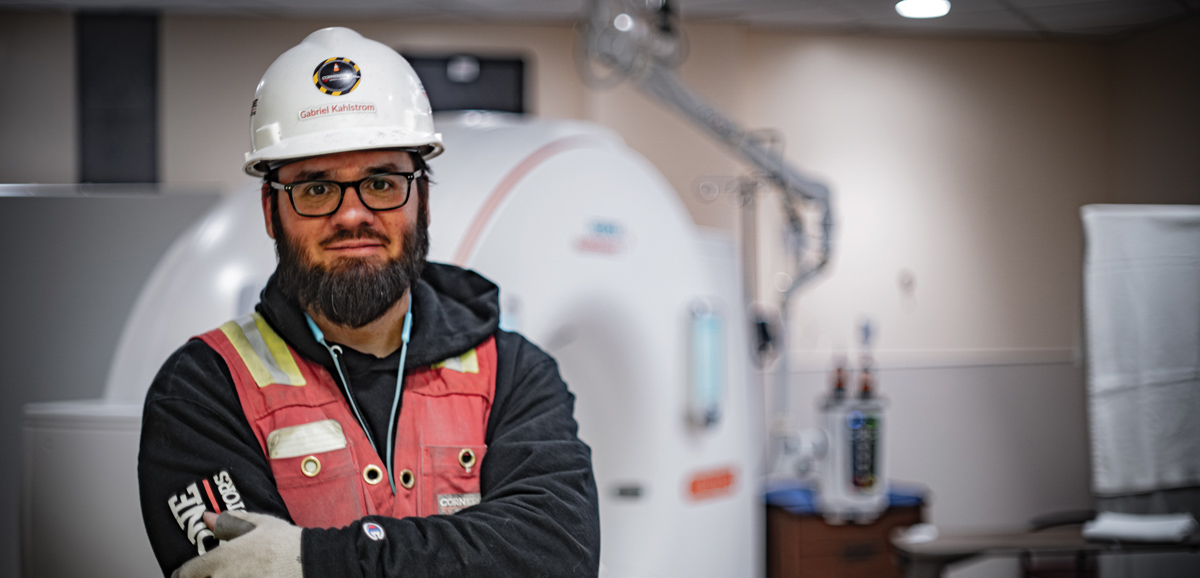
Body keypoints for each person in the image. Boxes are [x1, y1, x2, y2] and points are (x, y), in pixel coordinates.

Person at [138, 27, 600, 578]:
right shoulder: (202, 390)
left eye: (381, 183)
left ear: (422, 200)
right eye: (316, 189)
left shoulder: (515, 375)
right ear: (270, 211)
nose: (352, 214)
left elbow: (556, 554)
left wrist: (315, 559)